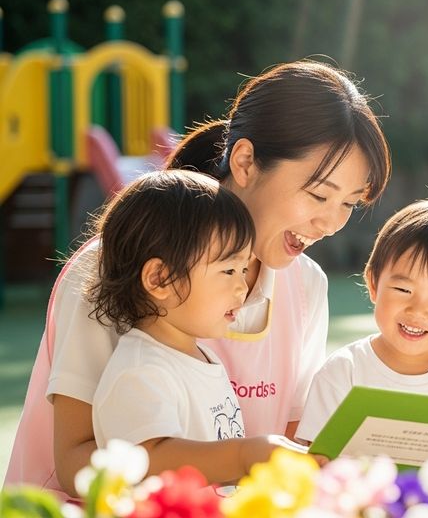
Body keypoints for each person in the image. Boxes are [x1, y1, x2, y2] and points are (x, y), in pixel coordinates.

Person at [5, 60, 391, 498]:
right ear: (245, 161)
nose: (331, 223)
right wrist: (239, 457)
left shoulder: (306, 285)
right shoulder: (117, 264)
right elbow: (77, 464)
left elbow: (291, 443)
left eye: (350, 204)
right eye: (319, 194)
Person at [86, 170, 294, 483]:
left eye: (244, 269)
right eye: (228, 271)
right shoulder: (141, 371)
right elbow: (148, 460)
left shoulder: (199, 358)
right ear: (160, 278)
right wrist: (244, 456)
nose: (242, 286)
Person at [296, 199, 428, 444]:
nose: (418, 310)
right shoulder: (343, 372)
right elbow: (311, 461)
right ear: (373, 284)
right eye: (403, 289)